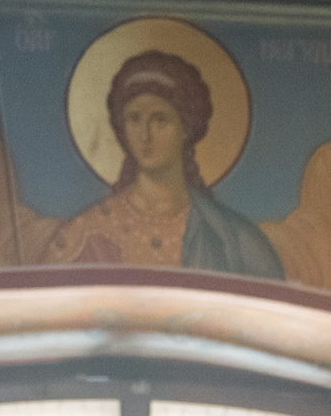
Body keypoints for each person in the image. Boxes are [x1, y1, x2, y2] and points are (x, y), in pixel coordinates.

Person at [40, 50, 284, 276]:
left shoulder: (233, 239)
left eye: (160, 120)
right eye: (134, 119)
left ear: (186, 128)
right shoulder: (84, 235)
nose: (145, 136)